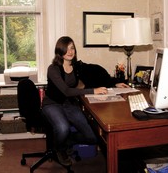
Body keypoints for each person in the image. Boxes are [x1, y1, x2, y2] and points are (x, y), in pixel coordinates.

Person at [41, 36, 129, 166]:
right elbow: (66, 91)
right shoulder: (53, 68)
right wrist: (93, 91)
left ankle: (67, 141)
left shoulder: (77, 67)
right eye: (66, 49)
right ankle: (59, 149)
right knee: (63, 128)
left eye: (72, 48)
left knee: (93, 137)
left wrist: (115, 83)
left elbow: (97, 75)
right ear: (59, 51)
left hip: (68, 104)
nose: (70, 52)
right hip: (52, 103)